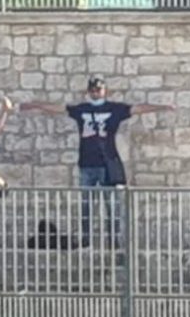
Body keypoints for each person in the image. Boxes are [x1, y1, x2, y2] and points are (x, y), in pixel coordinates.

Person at [20, 76, 175, 244]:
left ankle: (114, 241)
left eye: (98, 90)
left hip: (108, 165)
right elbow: (59, 108)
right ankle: (86, 239)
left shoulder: (114, 109)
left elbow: (138, 109)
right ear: (88, 92)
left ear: (105, 91)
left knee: (112, 206)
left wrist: (162, 107)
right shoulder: (82, 109)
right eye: (92, 90)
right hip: (87, 164)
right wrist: (35, 105)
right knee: (86, 204)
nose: (95, 93)